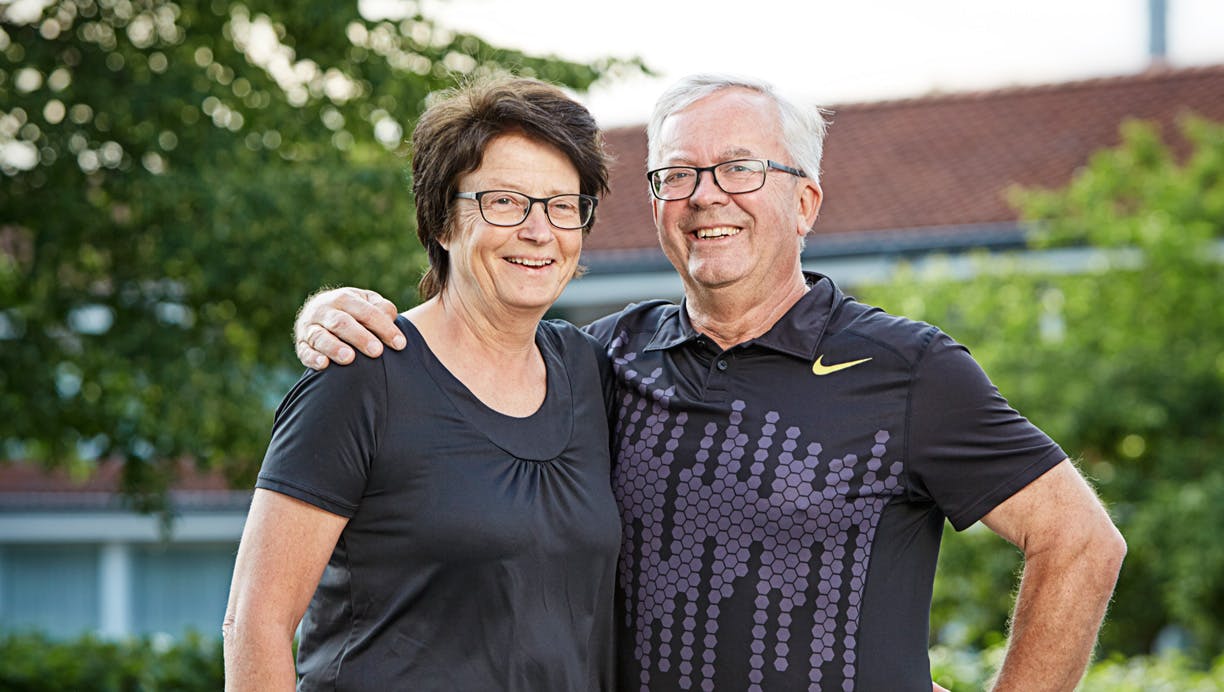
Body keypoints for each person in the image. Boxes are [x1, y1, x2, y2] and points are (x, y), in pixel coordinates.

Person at [292, 74, 1126, 691]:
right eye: (677, 174)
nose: (703, 197)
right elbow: (471, 344)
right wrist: (334, 313)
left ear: (805, 202)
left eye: (739, 169)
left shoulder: (908, 368)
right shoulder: (599, 361)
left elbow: (1081, 542)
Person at [223, 76, 622, 691]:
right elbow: (256, 622)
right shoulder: (361, 379)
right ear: (442, 220)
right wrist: (319, 311)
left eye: (562, 205)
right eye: (505, 202)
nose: (539, 231)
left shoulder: (592, 371)